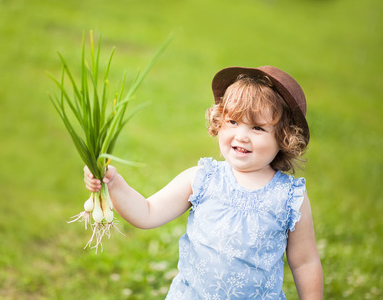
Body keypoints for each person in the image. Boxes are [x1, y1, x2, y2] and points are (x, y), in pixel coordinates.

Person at [85, 66, 323, 299]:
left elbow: (305, 262)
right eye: (233, 122)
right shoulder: (202, 178)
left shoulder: (290, 198)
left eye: (257, 128)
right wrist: (113, 182)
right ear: (219, 121)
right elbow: (148, 213)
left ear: (284, 138)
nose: (241, 135)